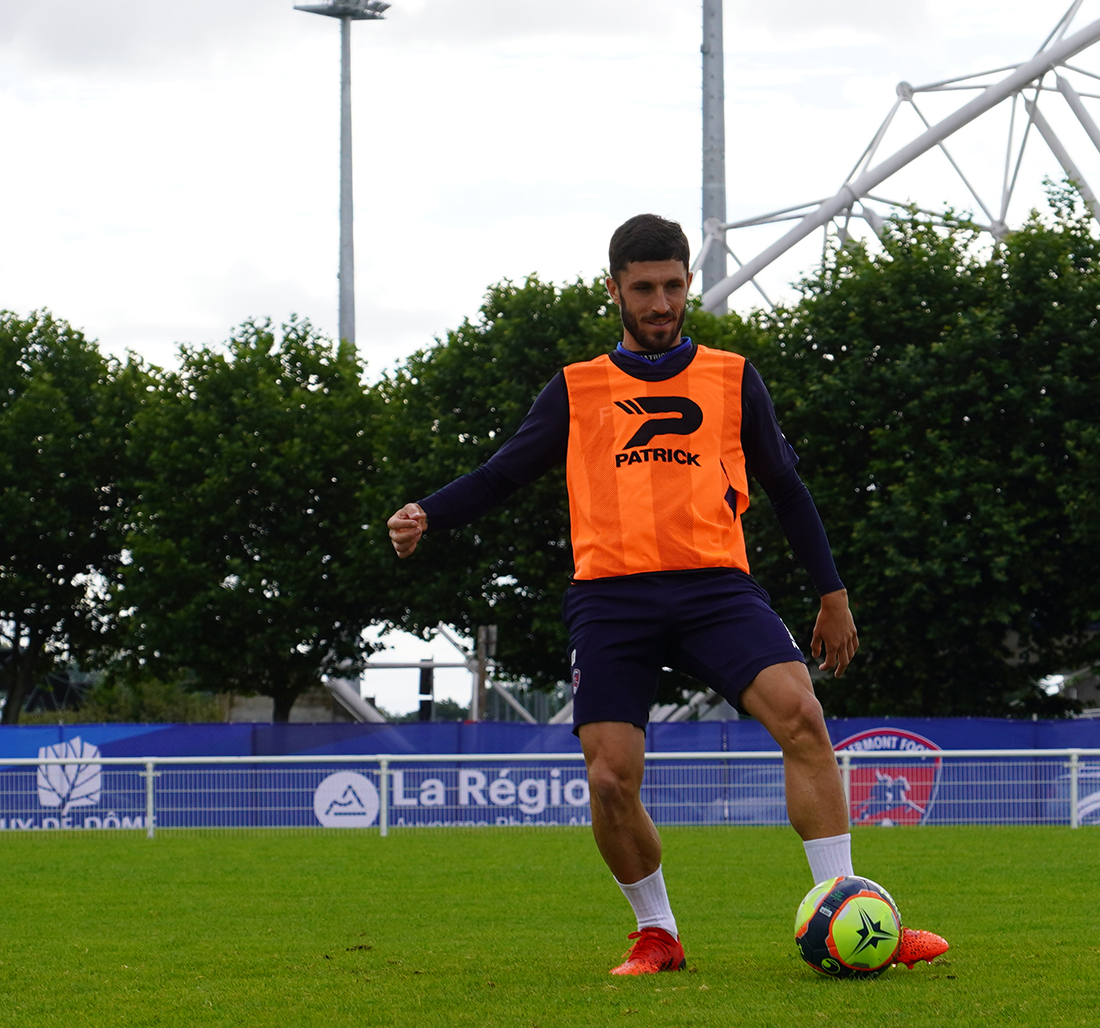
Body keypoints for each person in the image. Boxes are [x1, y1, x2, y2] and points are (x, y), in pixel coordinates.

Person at [387, 214, 946, 976]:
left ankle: (849, 908)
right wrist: (428, 511)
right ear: (613, 288)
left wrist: (832, 592)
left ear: (688, 285)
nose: (660, 302)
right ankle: (658, 934)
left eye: (673, 286)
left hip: (716, 587)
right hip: (611, 600)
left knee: (804, 718)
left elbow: (785, 485)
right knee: (610, 777)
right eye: (644, 288)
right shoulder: (578, 389)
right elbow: (501, 474)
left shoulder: (731, 375)